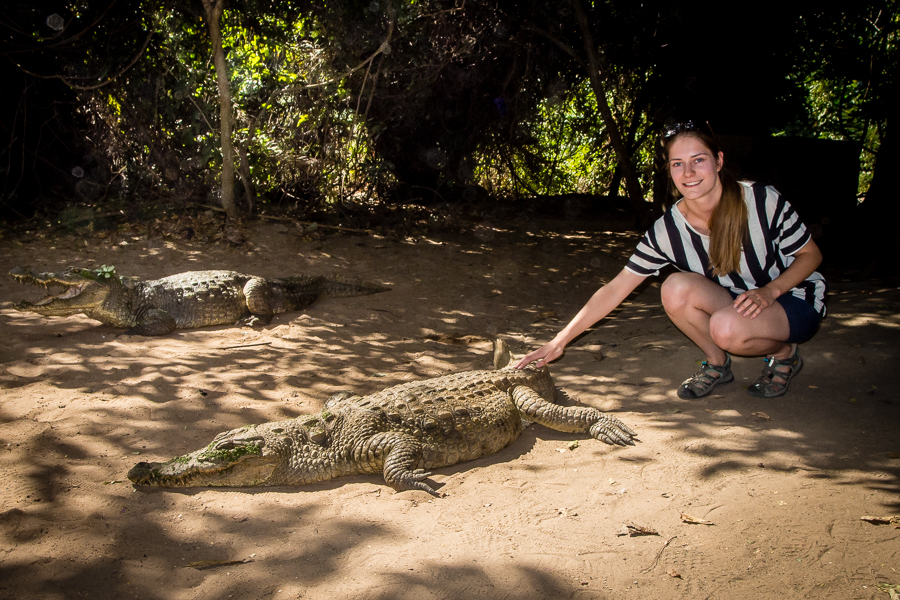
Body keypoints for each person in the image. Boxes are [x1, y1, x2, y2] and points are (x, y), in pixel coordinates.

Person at [515, 121, 826, 399]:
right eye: (678, 164)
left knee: (726, 328)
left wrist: (769, 292)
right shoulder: (668, 229)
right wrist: (560, 340)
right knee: (674, 288)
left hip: (792, 297)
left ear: (718, 161)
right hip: (735, 301)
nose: (688, 173)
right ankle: (717, 365)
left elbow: (811, 255)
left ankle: (785, 353)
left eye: (698, 160)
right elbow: (617, 287)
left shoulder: (760, 200)